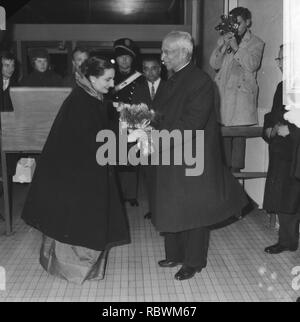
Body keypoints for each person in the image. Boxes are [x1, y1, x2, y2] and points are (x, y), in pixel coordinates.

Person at [147, 31, 248, 280]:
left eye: (167, 52)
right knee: (170, 205)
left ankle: (193, 261)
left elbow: (191, 123)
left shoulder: (201, 82)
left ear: (184, 53)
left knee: (194, 211)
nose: (162, 57)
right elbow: (158, 114)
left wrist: (157, 137)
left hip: (193, 156)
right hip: (172, 153)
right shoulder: (171, 80)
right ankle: (174, 254)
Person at [21, 57, 130, 284]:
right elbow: (94, 141)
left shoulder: (89, 95)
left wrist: (118, 116)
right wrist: (125, 134)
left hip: (79, 173)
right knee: (81, 224)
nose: (112, 84)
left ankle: (76, 268)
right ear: (91, 78)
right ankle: (76, 271)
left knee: (75, 223)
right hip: (77, 177)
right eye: (107, 79)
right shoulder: (82, 102)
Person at [209, 7, 265, 172]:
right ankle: (225, 174)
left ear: (248, 22)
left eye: (238, 23)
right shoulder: (225, 39)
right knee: (224, 138)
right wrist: (221, 46)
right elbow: (214, 65)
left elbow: (252, 65)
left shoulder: (257, 42)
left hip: (241, 98)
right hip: (224, 96)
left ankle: (236, 177)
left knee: (238, 140)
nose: (235, 27)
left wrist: (236, 47)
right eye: (232, 23)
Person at [263, 45, 300, 254]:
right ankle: (287, 240)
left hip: (296, 148)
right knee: (285, 198)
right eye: (279, 60)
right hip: (283, 151)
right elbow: (274, 114)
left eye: (284, 59)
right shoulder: (282, 86)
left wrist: (292, 131)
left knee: (294, 197)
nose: (280, 64)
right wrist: (269, 129)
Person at [132, 55, 166, 219]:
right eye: (146, 69)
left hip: (166, 137)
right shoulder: (138, 89)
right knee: (150, 177)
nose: (150, 72)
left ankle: (165, 208)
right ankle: (154, 209)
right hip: (145, 138)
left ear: (159, 69)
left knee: (165, 176)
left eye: (153, 68)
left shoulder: (169, 87)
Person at [111, 38, 142, 206]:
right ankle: (117, 194)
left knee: (132, 157)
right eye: (121, 56)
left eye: (127, 56)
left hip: (132, 122)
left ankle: (131, 195)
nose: (124, 59)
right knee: (114, 157)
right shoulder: (110, 77)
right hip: (114, 122)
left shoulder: (140, 78)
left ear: (132, 58)